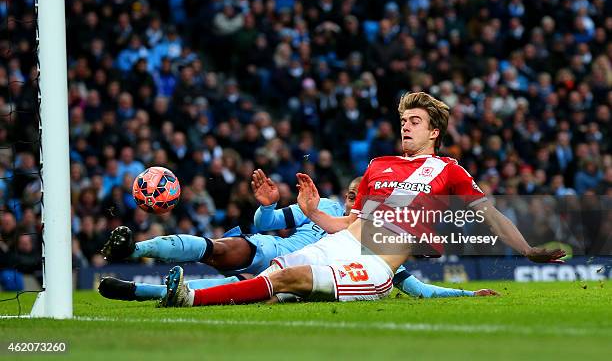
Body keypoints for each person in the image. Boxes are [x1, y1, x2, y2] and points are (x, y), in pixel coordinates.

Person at [161, 92, 564, 307]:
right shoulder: (379, 165)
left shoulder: (448, 170)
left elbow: (490, 215)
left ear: (434, 132)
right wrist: (313, 211)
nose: (405, 126)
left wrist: (527, 250)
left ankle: (188, 297)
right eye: (403, 121)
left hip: (374, 264)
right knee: (270, 281)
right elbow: (349, 224)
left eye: (415, 121)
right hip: (343, 241)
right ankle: (164, 293)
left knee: (285, 280)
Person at [99, 169, 492, 302]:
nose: (356, 199)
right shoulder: (331, 210)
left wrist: (466, 293)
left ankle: (138, 290)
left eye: (362, 195)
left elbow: (418, 284)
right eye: (353, 194)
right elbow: (268, 222)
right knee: (219, 248)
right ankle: (136, 247)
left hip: (297, 264)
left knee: (239, 283)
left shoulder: (373, 230)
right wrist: (269, 205)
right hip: (273, 247)